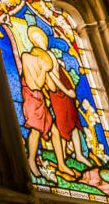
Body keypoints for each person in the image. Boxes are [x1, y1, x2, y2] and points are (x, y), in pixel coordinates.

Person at [20, 26, 79, 181]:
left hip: (40, 98)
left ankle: (61, 164)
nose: (41, 41)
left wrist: (49, 71)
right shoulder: (27, 57)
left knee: (55, 131)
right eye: (37, 38)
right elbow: (35, 85)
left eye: (42, 38)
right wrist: (44, 70)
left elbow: (51, 86)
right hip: (32, 98)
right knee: (35, 130)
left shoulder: (44, 59)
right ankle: (31, 160)